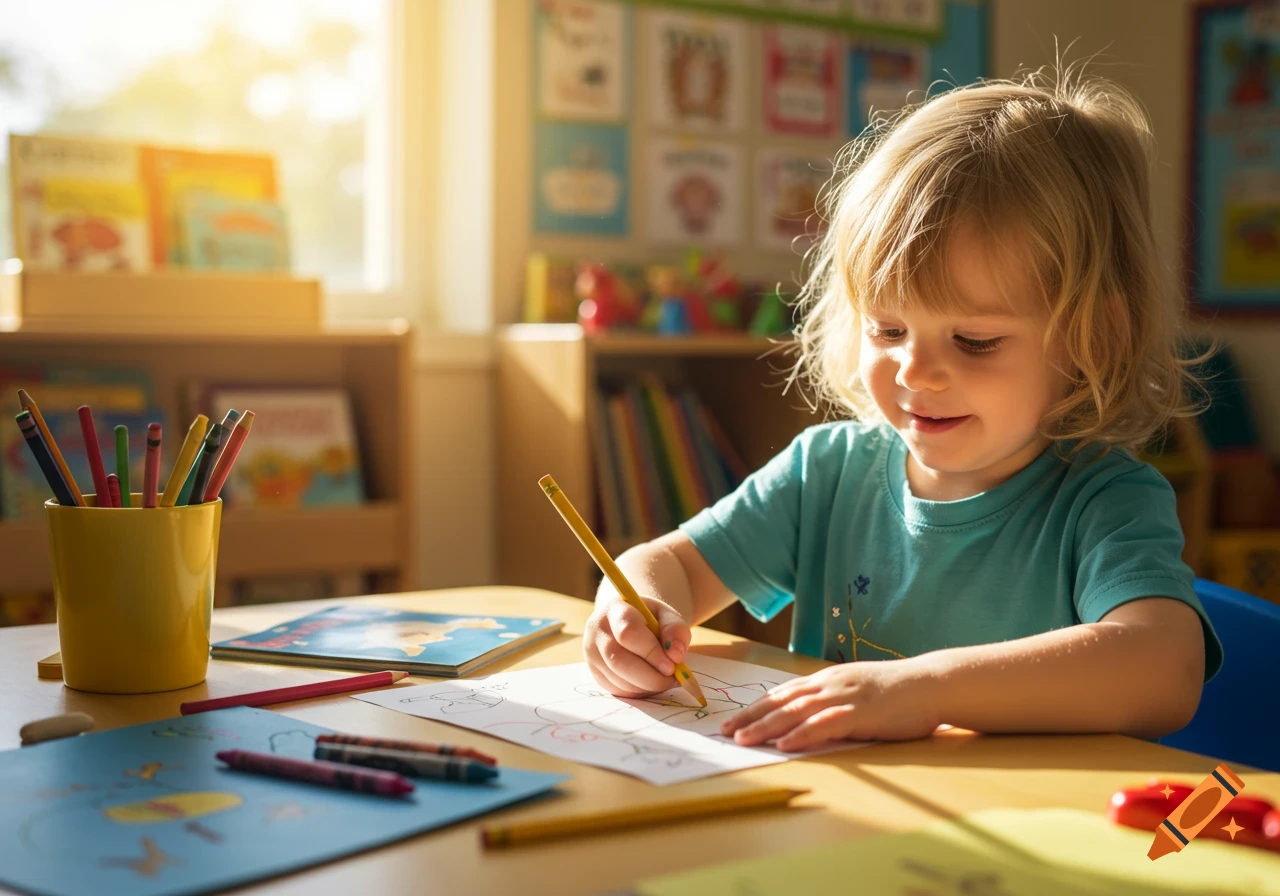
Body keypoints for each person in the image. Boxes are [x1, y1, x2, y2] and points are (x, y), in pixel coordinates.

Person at [582, 68, 1223, 752]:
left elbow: (1165, 668)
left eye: (974, 341)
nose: (914, 370)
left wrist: (925, 690)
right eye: (888, 330)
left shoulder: (1104, 499)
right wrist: (634, 611)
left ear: (1095, 337)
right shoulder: (826, 472)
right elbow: (670, 565)